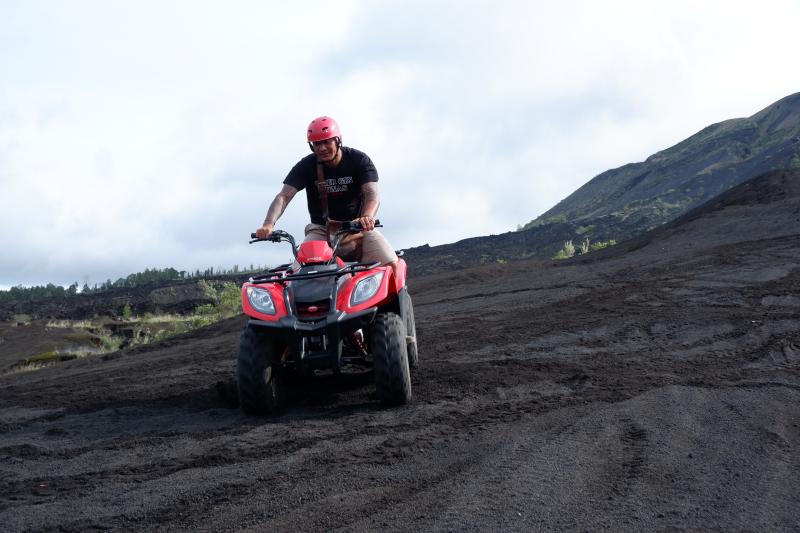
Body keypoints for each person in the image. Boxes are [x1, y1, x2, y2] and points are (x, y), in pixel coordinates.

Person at [254, 116, 398, 269]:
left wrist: (367, 217)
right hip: (322, 230)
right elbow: (284, 196)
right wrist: (268, 224)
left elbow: (371, 193)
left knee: (391, 263)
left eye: (326, 142)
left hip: (358, 227)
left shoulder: (359, 160)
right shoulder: (306, 166)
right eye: (316, 143)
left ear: (338, 140)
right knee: (298, 272)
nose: (321, 148)